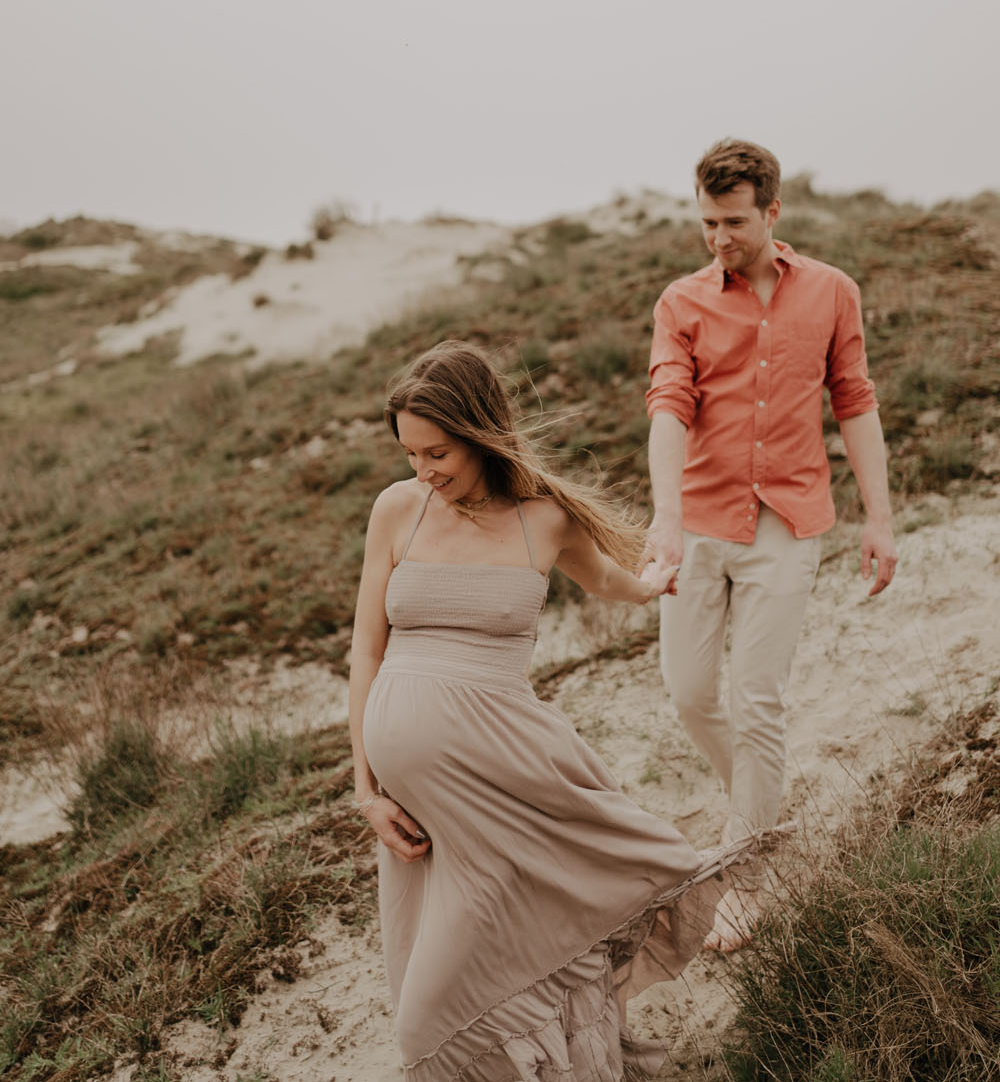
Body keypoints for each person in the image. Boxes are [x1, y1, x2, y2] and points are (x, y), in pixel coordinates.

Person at [349, 341, 769, 1082]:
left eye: (438, 451)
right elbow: (365, 651)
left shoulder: (544, 518)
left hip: (511, 778)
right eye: (411, 453)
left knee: (454, 999)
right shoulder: (396, 510)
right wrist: (365, 788)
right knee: (433, 988)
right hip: (421, 806)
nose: (423, 469)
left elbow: (612, 579)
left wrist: (653, 584)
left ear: (480, 432)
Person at [643, 138, 898, 953]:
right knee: (687, 690)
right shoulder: (680, 303)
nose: (720, 237)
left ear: (773, 212)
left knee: (758, 696)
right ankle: (759, 807)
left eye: (736, 222)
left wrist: (881, 517)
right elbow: (668, 409)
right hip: (700, 521)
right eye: (709, 222)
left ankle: (748, 874)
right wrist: (665, 515)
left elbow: (855, 402)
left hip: (789, 522)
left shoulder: (831, 292)